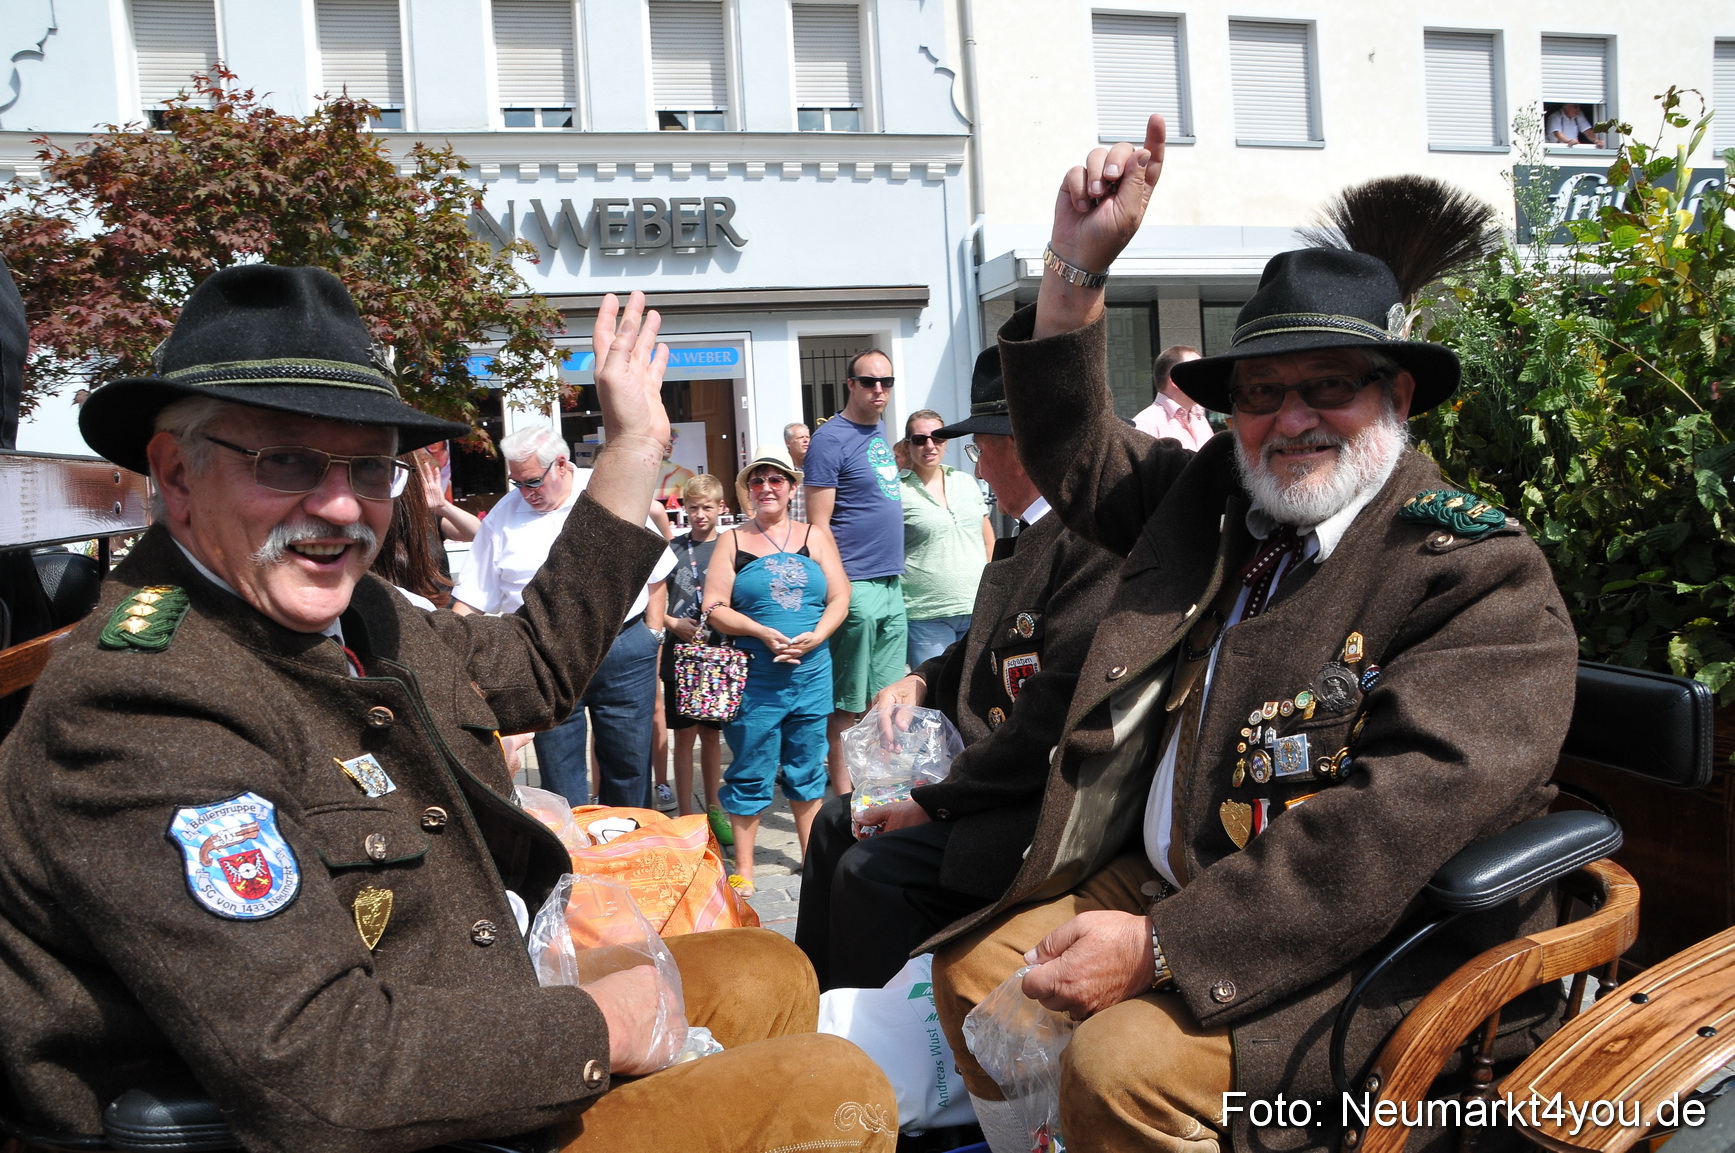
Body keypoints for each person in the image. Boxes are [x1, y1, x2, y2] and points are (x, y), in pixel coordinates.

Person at [0, 267, 897, 1153]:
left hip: (456, 1006)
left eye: (369, 466)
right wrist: (603, 1026)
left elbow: (536, 664)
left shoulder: (353, 611)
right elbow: (321, 1074)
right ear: (177, 475)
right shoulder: (143, 702)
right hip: (361, 1113)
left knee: (765, 969)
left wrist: (632, 446)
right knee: (830, 1089)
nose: (340, 505)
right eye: (287, 461)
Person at [927, 118, 1578, 1153]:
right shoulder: (1221, 506)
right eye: (1262, 394)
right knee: (971, 974)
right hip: (1174, 879)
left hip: (1367, 945)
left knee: (1116, 1069)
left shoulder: (1475, 572)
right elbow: (1076, 450)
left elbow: (1379, 839)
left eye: (1329, 385)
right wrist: (1074, 268)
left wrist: (1158, 947)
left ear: (1397, 393)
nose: (1291, 419)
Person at [796, 347, 1121, 991]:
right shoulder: (1036, 534)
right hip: (993, 786)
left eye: (982, 448)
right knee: (836, 821)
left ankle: (877, 1037)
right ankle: (815, 1006)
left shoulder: (1087, 544)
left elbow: (1048, 719)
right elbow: (984, 647)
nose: (978, 464)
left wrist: (934, 804)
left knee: (871, 867)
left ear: (1021, 450)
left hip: (1038, 810)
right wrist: (918, 681)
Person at [452, 426, 677, 809]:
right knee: (558, 774)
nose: (526, 492)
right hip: (544, 655)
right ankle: (570, 845)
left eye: (533, 482)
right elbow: (471, 597)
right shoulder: (503, 516)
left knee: (629, 767)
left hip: (622, 648)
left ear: (561, 464)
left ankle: (628, 844)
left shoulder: (610, 492)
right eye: (517, 483)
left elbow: (657, 575)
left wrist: (652, 636)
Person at [701, 447, 849, 896]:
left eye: (776, 480)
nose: (766, 488)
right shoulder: (732, 540)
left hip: (811, 673)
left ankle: (811, 861)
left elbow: (840, 596)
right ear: (748, 490)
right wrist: (760, 631)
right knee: (750, 767)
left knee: (807, 767)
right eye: (757, 481)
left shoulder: (815, 535)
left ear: (791, 488)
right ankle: (744, 869)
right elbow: (713, 607)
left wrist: (818, 635)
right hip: (755, 679)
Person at [803, 350, 907, 793]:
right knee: (847, 704)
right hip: (855, 583)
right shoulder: (830, 438)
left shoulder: (879, 430)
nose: (878, 389)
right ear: (850, 384)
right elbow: (818, 525)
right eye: (868, 381)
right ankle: (845, 802)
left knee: (887, 699)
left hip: (890, 581)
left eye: (886, 381)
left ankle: (880, 794)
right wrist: (839, 587)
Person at [660, 472, 732, 844]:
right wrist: (672, 623)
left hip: (717, 655)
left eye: (707, 507)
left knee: (712, 736)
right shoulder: (671, 549)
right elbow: (652, 601)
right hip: (680, 655)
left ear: (721, 507)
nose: (700, 515)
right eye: (693, 508)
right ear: (684, 510)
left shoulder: (729, 546)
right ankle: (687, 816)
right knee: (684, 736)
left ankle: (715, 810)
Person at [899, 408, 993, 667]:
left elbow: (988, 541)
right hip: (927, 615)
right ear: (908, 445)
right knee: (935, 689)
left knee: (977, 686)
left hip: (977, 607)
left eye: (938, 437)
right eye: (920, 439)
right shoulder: (897, 490)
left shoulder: (965, 482)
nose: (930, 445)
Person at [1131, 344, 1212, 449]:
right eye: (1197, 373)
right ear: (1175, 380)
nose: (1205, 379)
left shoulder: (1200, 420)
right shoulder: (1146, 425)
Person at [784, 420, 811, 521]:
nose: (806, 440)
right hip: (785, 528)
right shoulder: (780, 469)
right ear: (788, 443)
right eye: (801, 437)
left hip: (809, 528)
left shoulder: (816, 468)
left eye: (808, 437)